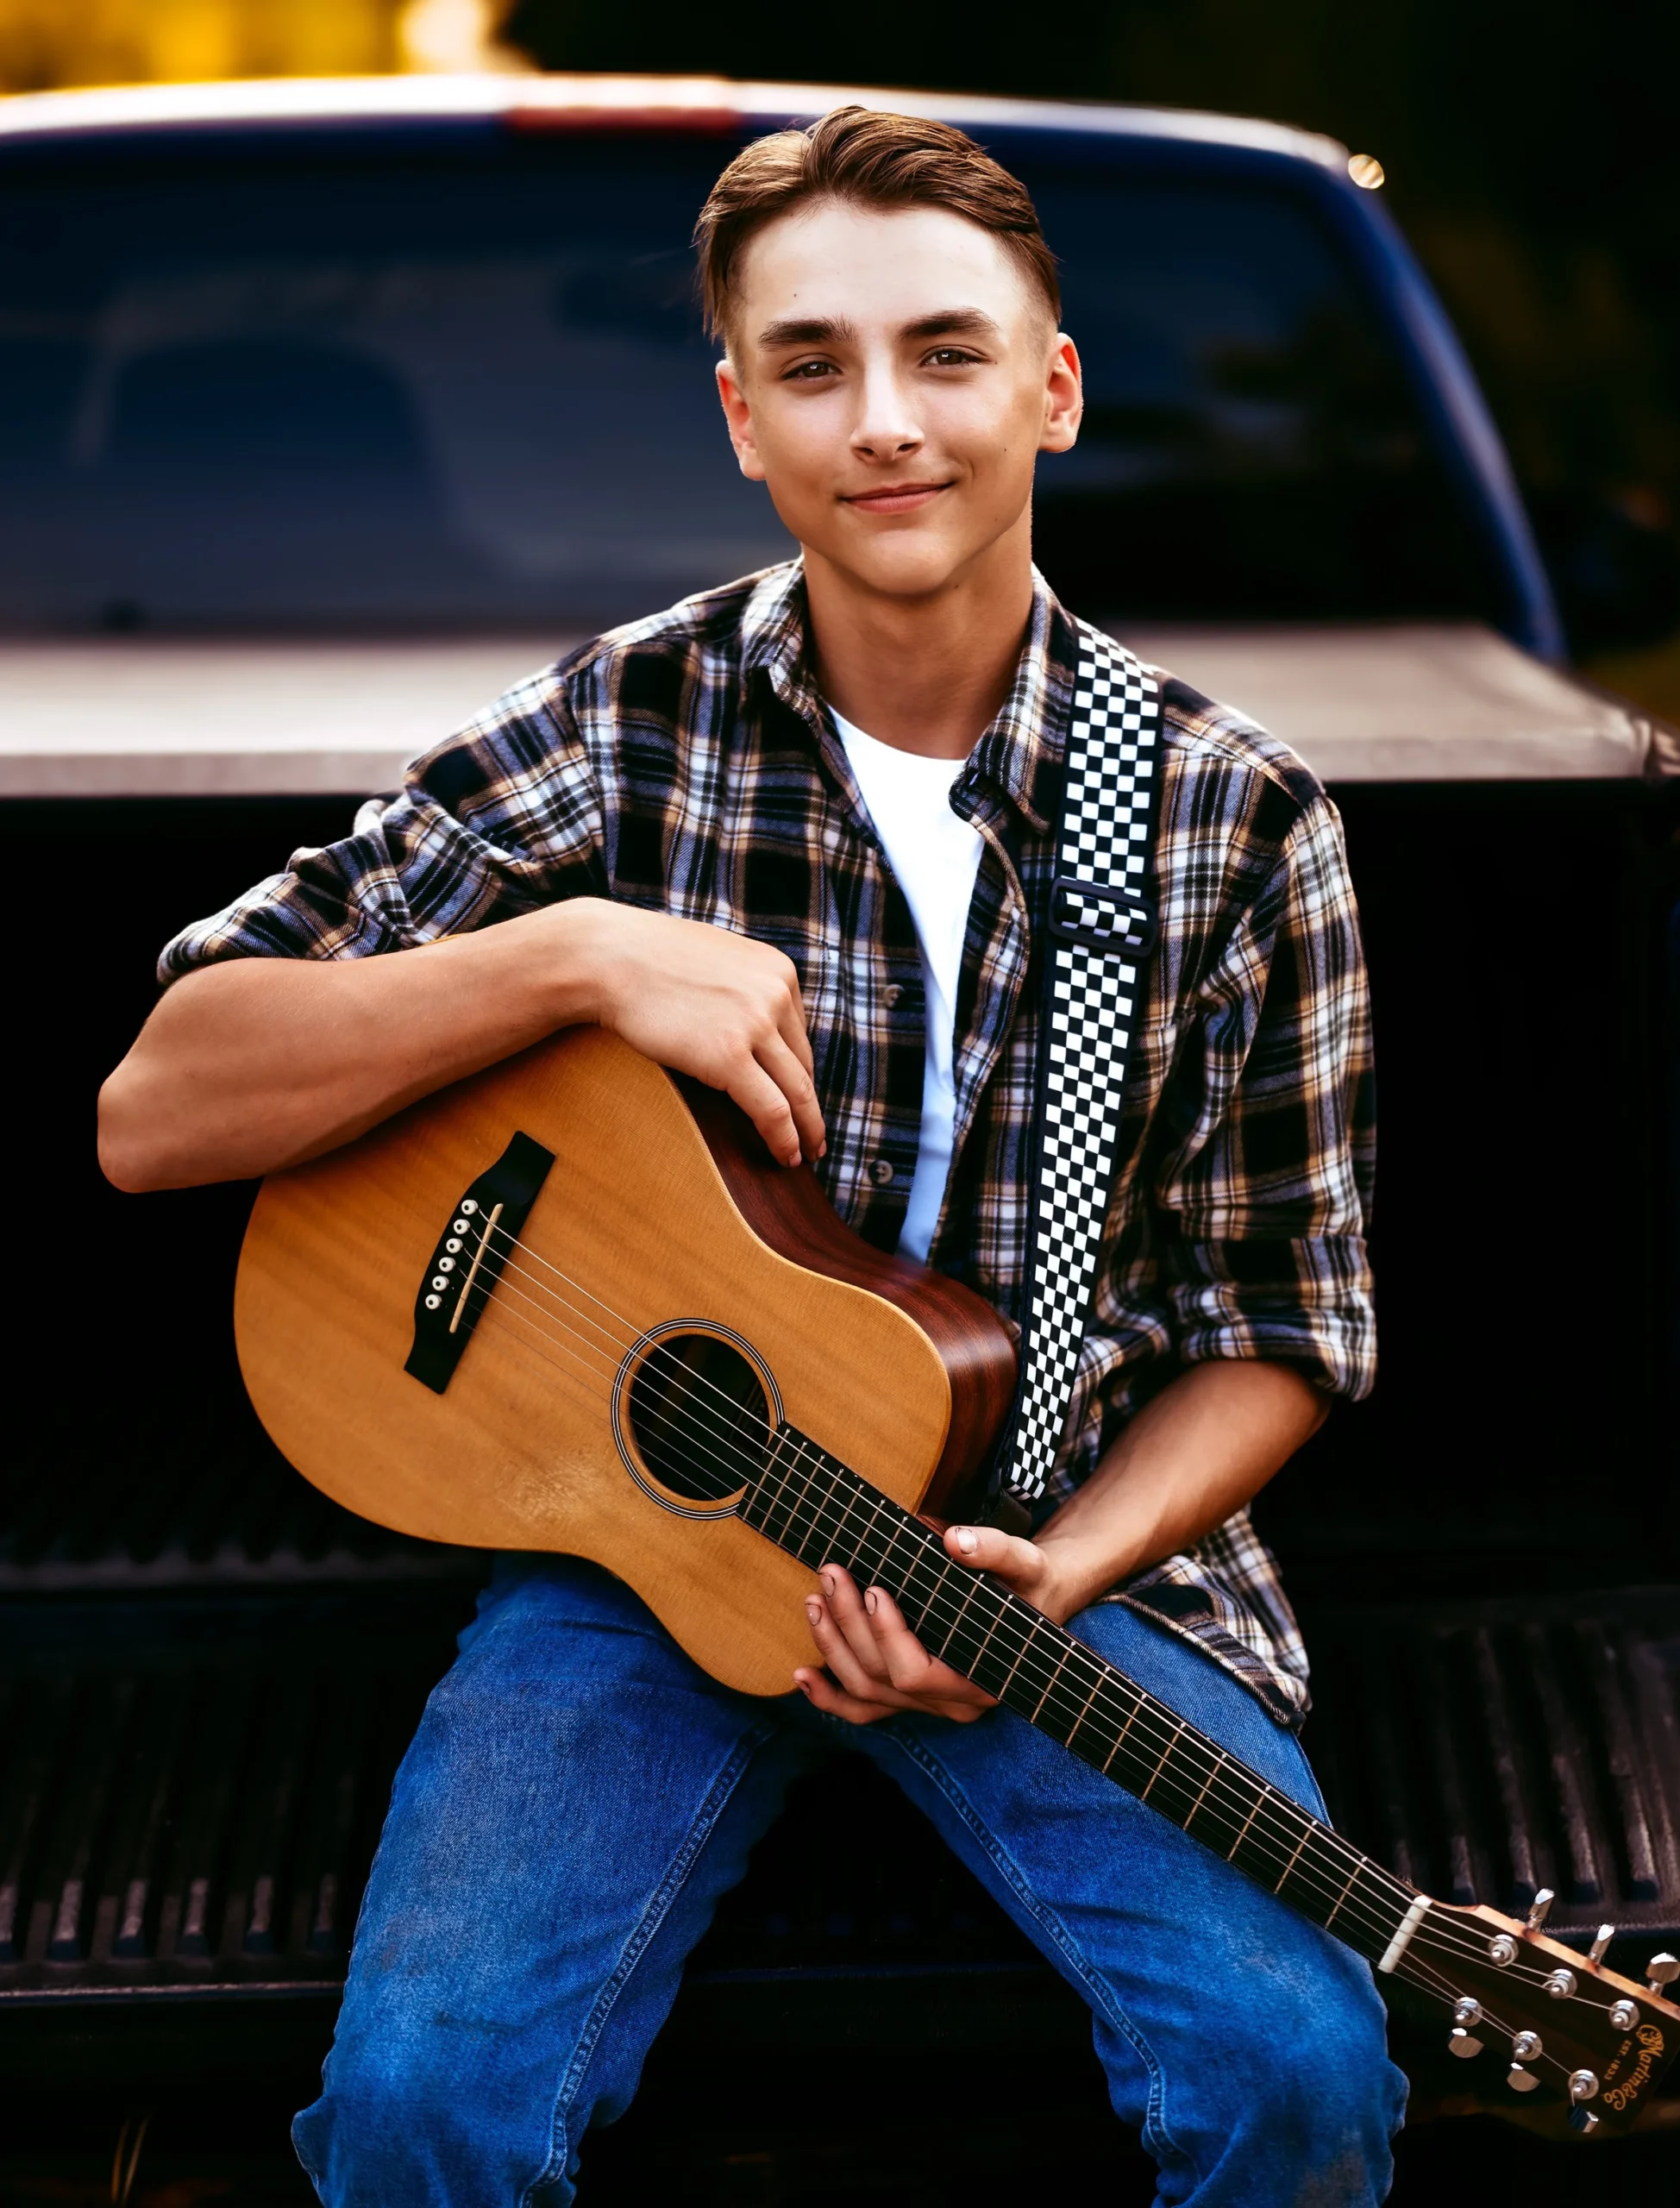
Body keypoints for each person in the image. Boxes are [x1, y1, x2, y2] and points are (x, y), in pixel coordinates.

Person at [97, 106, 1405, 2206]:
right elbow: (161, 1106)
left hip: (1056, 1555)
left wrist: (1050, 1577)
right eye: (811, 364)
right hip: (639, 1562)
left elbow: (1280, 1323)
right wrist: (571, 955)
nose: (884, 421)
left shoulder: (1231, 822)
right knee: (428, 2098)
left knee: (1293, 2072)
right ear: (738, 415)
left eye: (946, 352)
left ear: (1052, 387)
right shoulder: (630, 724)